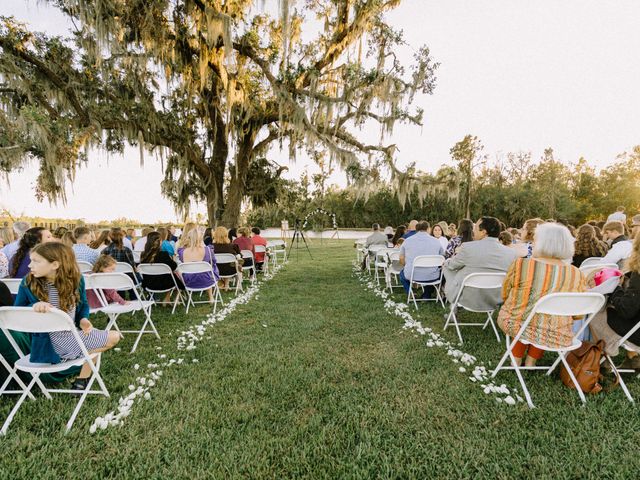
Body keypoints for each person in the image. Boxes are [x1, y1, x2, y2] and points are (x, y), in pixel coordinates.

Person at [14, 242, 120, 391]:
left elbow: (82, 305)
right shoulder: (28, 282)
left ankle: (82, 379)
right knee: (113, 336)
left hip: (71, 335)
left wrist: (83, 319)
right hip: (47, 345)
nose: (30, 265)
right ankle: (83, 377)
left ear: (55, 264)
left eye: (36, 261)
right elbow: (17, 312)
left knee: (94, 336)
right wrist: (33, 307)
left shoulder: (77, 280)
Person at [497, 223, 586, 367]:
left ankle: (517, 359)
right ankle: (531, 361)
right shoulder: (577, 273)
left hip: (517, 325)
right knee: (544, 318)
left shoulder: (521, 265)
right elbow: (578, 314)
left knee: (524, 315)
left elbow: (505, 294)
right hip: (558, 334)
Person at [443, 217, 518, 309]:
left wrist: (447, 262)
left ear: (483, 232)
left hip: (467, 298)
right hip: (495, 299)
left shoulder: (468, 248)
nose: (473, 230)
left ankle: (452, 303)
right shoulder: (511, 253)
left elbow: (451, 265)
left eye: (475, 228)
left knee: (447, 266)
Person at [590, 233, 640, 369]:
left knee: (595, 314)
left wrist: (616, 288)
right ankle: (632, 357)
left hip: (636, 331)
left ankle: (599, 359)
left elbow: (626, 310)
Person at [399, 221, 443, 296]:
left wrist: (407, 266)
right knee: (431, 272)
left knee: (401, 274)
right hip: (433, 275)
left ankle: (411, 293)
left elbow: (401, 259)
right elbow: (442, 258)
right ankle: (426, 295)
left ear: (416, 229)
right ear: (428, 229)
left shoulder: (407, 241)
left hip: (412, 274)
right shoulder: (437, 242)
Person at [140, 231, 184, 304]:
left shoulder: (143, 255)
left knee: (168, 275)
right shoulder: (164, 254)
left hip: (148, 283)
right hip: (165, 284)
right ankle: (168, 299)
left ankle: (167, 299)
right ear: (160, 242)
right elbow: (174, 267)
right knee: (176, 276)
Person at [178, 228, 219, 304]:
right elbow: (214, 262)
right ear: (201, 238)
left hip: (188, 281)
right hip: (206, 280)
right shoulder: (208, 250)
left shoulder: (182, 251)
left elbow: (182, 262)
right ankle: (211, 297)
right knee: (210, 270)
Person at [212, 226, 242, 291]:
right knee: (234, 263)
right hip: (231, 270)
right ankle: (227, 284)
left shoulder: (211, 247)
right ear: (226, 235)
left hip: (215, 271)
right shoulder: (232, 246)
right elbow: (240, 256)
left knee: (219, 264)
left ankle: (223, 283)